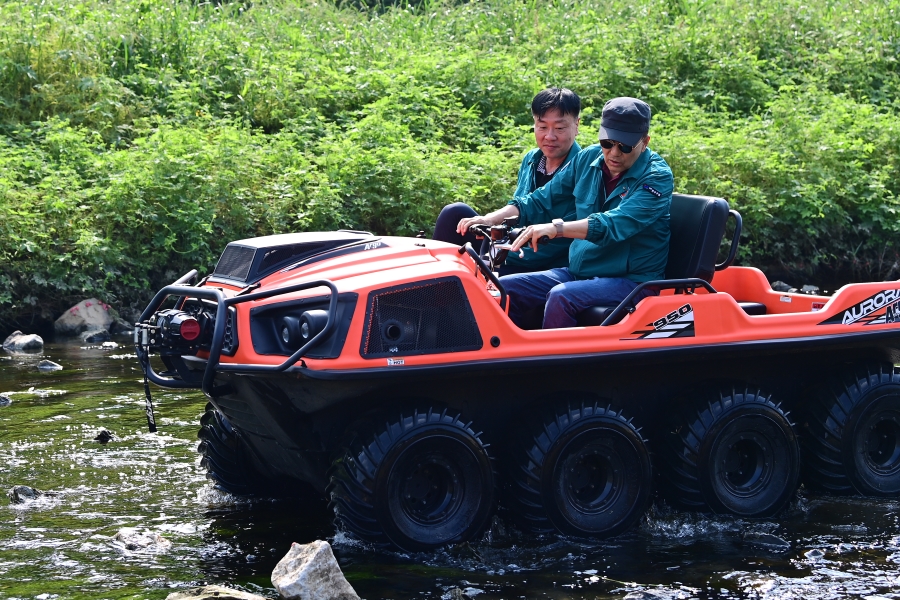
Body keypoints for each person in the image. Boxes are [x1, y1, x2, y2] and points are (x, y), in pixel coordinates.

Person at [495, 97, 674, 329]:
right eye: (607, 143)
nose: (614, 154)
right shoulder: (589, 158)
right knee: (504, 288)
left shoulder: (656, 177)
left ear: (645, 142)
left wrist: (557, 229)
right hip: (580, 272)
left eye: (625, 146)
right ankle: (509, 360)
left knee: (562, 296)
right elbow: (542, 198)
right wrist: (491, 218)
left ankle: (554, 364)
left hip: (632, 281)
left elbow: (613, 225)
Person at [432, 87, 582, 275]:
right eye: (542, 127)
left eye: (559, 128)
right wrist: (493, 240)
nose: (549, 136)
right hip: (509, 247)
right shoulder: (531, 159)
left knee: (474, 272)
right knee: (454, 213)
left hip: (540, 261)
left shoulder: (583, 167)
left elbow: (562, 241)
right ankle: (431, 287)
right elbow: (517, 212)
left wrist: (495, 252)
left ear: (577, 125)